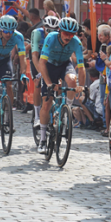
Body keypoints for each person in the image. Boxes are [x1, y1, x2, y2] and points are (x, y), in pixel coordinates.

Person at [37, 17, 86, 154]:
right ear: (59, 31)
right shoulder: (51, 38)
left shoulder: (76, 42)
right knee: (47, 103)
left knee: (71, 80)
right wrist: (48, 84)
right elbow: (42, 63)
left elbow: (81, 67)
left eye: (72, 34)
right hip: (50, 66)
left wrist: (80, 86)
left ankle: (67, 110)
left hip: (65, 64)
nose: (68, 37)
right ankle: (42, 140)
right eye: (66, 33)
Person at [29, 16, 59, 129]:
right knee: (38, 84)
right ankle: (37, 116)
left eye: (54, 30)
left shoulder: (58, 36)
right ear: (43, 28)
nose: (51, 32)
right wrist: (40, 73)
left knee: (58, 84)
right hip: (38, 59)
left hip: (50, 60)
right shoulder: (37, 33)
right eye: (48, 30)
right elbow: (34, 55)